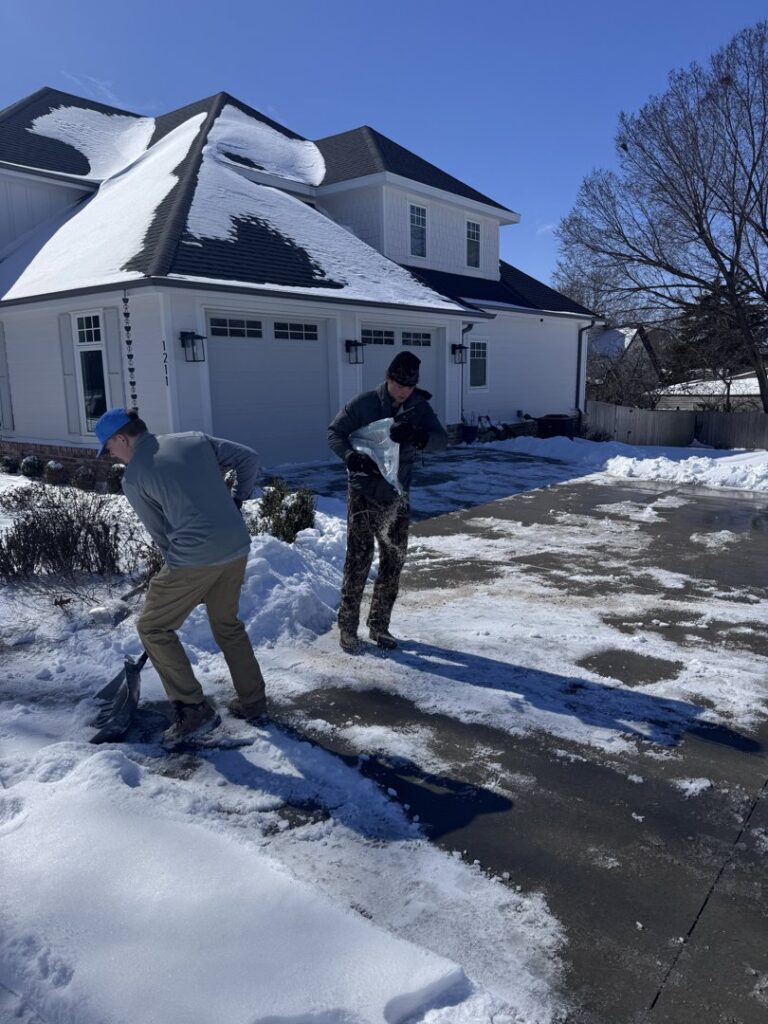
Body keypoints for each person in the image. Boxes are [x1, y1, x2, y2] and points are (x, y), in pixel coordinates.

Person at [94, 407, 267, 744]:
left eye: (109, 448)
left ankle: (193, 709)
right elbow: (249, 458)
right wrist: (238, 499)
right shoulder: (194, 440)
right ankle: (255, 702)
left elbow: (161, 535)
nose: (111, 456)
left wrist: (184, 574)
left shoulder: (134, 478)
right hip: (236, 545)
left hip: (194, 556)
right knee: (227, 624)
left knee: (153, 627)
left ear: (121, 438)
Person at [328, 351, 447, 653]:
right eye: (398, 384)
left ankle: (379, 626)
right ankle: (347, 628)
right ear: (387, 377)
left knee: (393, 563)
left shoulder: (419, 407)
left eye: (408, 386)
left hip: (397, 497)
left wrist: (418, 435)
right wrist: (350, 456)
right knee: (358, 561)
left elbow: (441, 439)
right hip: (364, 493)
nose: (402, 391)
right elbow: (335, 433)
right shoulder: (364, 403)